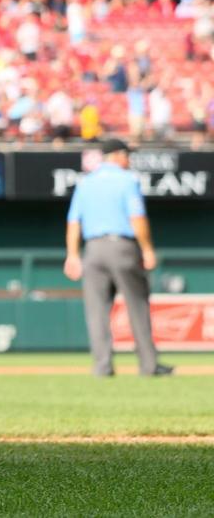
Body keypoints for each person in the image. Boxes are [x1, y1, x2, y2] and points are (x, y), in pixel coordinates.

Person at [63, 140, 171, 377]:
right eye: (127, 155)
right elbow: (137, 218)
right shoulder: (126, 180)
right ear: (117, 155)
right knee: (137, 306)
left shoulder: (86, 182)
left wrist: (72, 254)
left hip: (92, 249)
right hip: (121, 246)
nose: (129, 159)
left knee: (96, 311)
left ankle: (102, 366)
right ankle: (149, 365)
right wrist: (147, 248)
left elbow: (73, 222)